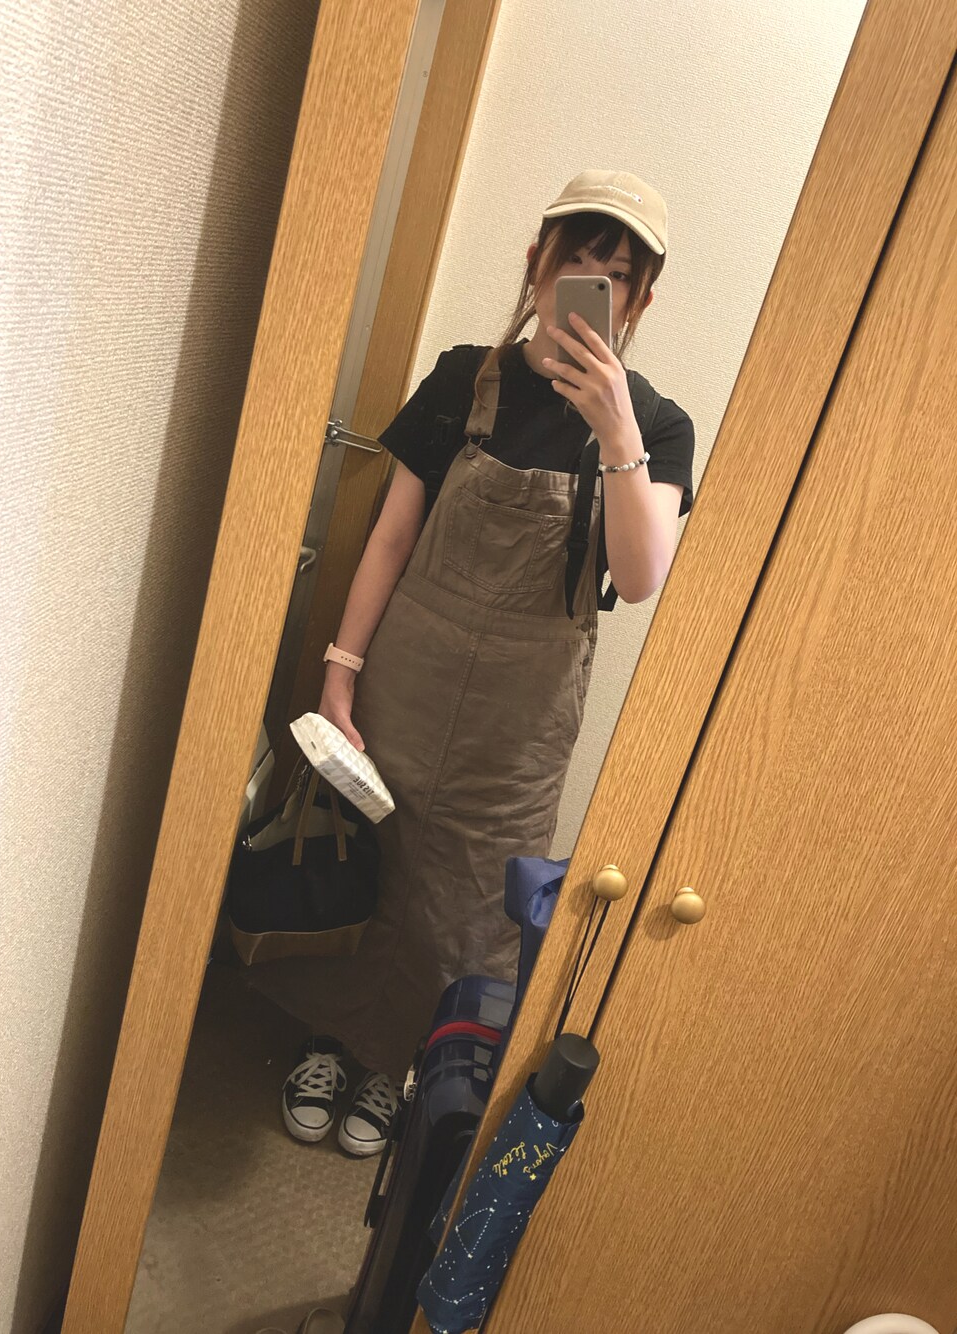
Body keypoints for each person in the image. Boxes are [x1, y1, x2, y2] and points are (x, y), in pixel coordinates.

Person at [274, 169, 695, 1157]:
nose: (591, 285)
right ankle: (329, 1038)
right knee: (366, 864)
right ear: (538, 262)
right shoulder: (463, 379)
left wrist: (617, 433)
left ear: (639, 302)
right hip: (405, 683)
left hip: (519, 727)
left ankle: (397, 1068)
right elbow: (391, 536)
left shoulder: (657, 427)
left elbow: (640, 578)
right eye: (578, 259)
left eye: (617, 275)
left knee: (466, 907)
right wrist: (339, 669)